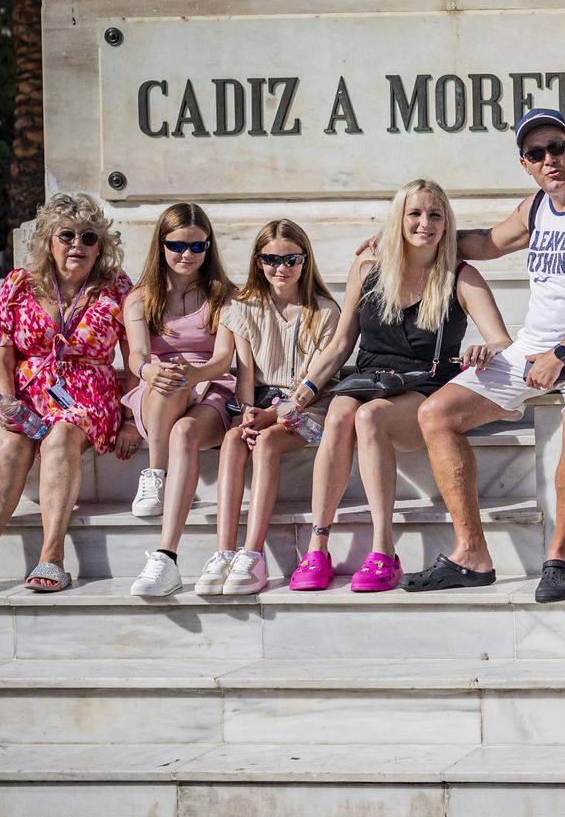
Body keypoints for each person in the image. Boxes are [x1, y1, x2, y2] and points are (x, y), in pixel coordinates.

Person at [406, 108, 565, 602]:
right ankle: (471, 554)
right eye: (536, 154)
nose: (549, 160)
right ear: (525, 163)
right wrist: (408, 240)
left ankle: (559, 559)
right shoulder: (536, 208)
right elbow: (485, 243)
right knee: (436, 414)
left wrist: (561, 354)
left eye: (557, 147)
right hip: (535, 347)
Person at [286, 180, 511, 592]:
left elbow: (502, 341)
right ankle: (317, 547)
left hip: (423, 386)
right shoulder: (368, 268)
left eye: (435, 215)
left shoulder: (460, 275)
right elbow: (340, 344)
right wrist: (303, 391)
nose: (425, 223)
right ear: (398, 219)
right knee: (338, 413)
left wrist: (485, 350)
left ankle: (383, 549)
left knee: (370, 417)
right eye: (415, 213)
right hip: (369, 378)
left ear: (447, 223)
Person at [0, 194, 136, 594]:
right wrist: (6, 402)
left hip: (88, 397)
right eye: (67, 235)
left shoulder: (117, 287)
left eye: (89, 238)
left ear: (100, 246)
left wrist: (130, 418)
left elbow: (137, 357)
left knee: (62, 438)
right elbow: (1, 356)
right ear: (48, 242)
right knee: (10, 444)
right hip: (23, 393)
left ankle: (51, 556)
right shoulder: (18, 284)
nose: (78, 245)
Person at [196, 220, 341, 595]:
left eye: (291, 259)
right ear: (258, 261)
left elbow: (315, 380)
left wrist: (274, 415)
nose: (282, 268)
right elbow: (244, 373)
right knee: (232, 441)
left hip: (307, 406)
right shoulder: (242, 307)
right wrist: (245, 412)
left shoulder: (324, 312)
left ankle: (253, 554)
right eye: (271, 259)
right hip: (259, 402)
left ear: (305, 260)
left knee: (268, 443)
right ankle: (224, 552)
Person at [124, 203, 237, 596]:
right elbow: (136, 355)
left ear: (209, 247)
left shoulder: (225, 295)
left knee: (185, 432)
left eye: (197, 246)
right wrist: (149, 371)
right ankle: (156, 472)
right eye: (176, 246)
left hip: (212, 387)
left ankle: (165, 558)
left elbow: (223, 358)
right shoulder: (140, 298)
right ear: (160, 245)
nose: (186, 255)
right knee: (166, 379)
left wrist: (195, 374)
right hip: (157, 392)